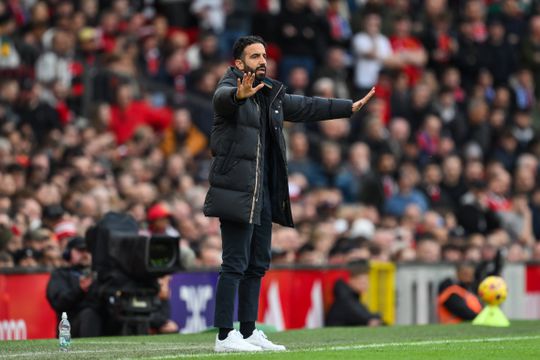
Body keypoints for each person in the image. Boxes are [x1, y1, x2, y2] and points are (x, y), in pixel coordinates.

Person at [203, 35, 375, 352]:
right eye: (254, 56)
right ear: (239, 64)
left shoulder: (271, 94)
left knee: (257, 264)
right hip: (238, 190)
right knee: (234, 264)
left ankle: (249, 330)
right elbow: (223, 100)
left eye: (264, 54)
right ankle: (225, 336)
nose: (262, 60)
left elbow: (306, 106)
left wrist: (347, 108)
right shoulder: (229, 87)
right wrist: (239, 96)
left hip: (264, 191)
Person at [46, 236, 103, 337]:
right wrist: (79, 289)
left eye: (88, 251)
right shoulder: (60, 274)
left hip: (99, 323)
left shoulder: (101, 274)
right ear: (68, 253)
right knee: (89, 314)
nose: (85, 254)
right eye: (80, 250)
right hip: (71, 327)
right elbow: (58, 302)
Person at [326, 261, 382, 327]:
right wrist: (375, 317)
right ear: (351, 280)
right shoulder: (345, 297)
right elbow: (361, 315)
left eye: (367, 282)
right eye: (362, 282)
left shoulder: (351, 295)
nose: (366, 285)